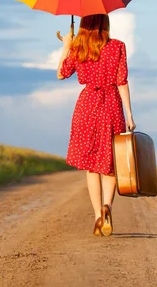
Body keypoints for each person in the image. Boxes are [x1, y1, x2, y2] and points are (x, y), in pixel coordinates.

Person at [57, 13, 135, 237]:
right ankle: (107, 206)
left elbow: (62, 74)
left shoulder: (78, 48)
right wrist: (129, 114)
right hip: (112, 105)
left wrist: (66, 45)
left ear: (83, 25)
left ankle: (97, 216)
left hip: (87, 106)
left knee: (91, 166)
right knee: (110, 164)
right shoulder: (118, 46)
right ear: (105, 24)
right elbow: (122, 82)